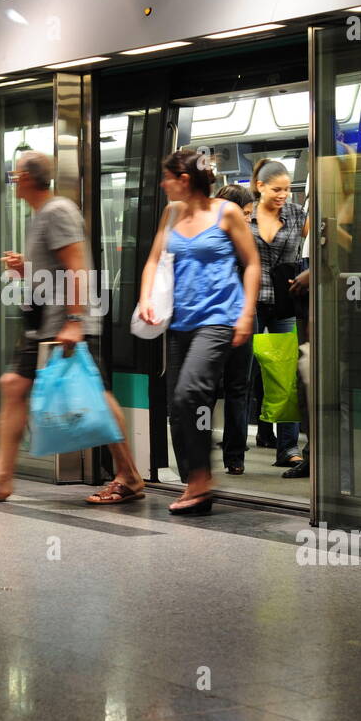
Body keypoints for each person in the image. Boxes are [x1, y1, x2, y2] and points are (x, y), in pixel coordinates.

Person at [0, 150, 145, 504]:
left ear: (25, 179)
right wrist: (26, 268)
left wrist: (74, 320)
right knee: (13, 386)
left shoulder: (57, 211)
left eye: (14, 175)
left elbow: (77, 267)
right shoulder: (42, 215)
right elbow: (56, 270)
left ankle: (129, 476)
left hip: (63, 324)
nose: (12, 181)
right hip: (43, 323)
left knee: (94, 395)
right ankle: (0, 476)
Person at [138, 148, 259, 513]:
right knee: (179, 404)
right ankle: (196, 484)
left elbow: (251, 264)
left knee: (191, 392)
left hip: (220, 318)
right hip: (180, 322)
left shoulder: (228, 213)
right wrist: (146, 298)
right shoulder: (171, 214)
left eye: (168, 178)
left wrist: (247, 314)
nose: (163, 184)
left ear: (185, 180)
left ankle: (201, 480)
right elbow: (154, 261)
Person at [249, 159, 310, 477]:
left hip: (286, 302)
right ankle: (244, 441)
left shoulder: (298, 214)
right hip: (252, 301)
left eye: (287, 189)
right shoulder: (245, 217)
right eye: (277, 189)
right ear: (260, 187)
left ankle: (288, 448)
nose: (284, 195)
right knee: (250, 373)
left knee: (287, 373)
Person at [213, 183, 257, 474]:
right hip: (214, 321)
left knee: (238, 389)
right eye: (246, 214)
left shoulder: (244, 238)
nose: (249, 220)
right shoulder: (210, 239)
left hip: (239, 320)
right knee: (210, 390)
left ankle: (235, 455)